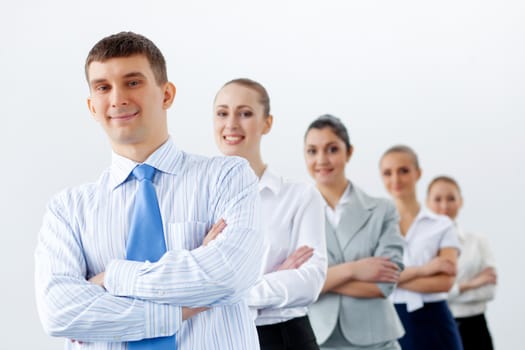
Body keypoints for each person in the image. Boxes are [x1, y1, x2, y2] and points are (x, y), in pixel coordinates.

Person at [34, 32, 264, 349]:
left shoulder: (227, 177)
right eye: (103, 87)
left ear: (166, 94)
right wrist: (181, 307)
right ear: (91, 105)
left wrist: (110, 279)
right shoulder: (68, 210)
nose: (117, 99)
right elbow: (60, 312)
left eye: (133, 82)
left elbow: (231, 274)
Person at [212, 78, 327, 350]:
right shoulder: (198, 199)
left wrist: (231, 293)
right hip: (217, 337)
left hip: (283, 338)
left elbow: (310, 280)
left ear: (267, 123)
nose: (231, 123)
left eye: (245, 113)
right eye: (222, 113)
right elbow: (185, 281)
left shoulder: (299, 197)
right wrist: (272, 281)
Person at [304, 115, 405, 350]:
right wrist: (355, 269)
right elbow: (290, 284)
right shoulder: (294, 213)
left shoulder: (382, 210)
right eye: (312, 151)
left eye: (332, 149)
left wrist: (318, 281)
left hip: (376, 341)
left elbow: (384, 285)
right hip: (316, 339)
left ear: (349, 152)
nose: (321, 160)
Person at [379, 145, 463, 350]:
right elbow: (375, 279)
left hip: (435, 320)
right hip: (389, 320)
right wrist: (425, 270)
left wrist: (391, 279)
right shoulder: (377, 226)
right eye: (388, 173)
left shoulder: (442, 224)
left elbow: (445, 282)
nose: (396, 179)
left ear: (418, 173)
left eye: (404, 171)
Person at [426, 176, 496, 350]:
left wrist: (445, 289)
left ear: (461, 201)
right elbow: (424, 293)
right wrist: (472, 283)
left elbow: (488, 291)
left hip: (475, 328)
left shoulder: (478, 241)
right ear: (427, 203)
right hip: (436, 327)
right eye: (437, 199)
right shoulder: (421, 246)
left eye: (451, 198)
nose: (444, 206)